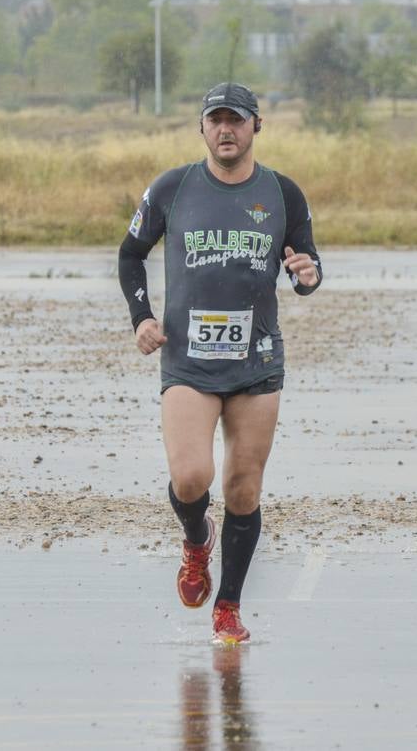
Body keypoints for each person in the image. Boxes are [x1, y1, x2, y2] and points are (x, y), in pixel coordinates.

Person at [118, 82, 323, 643]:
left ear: (257, 126)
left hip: (256, 360)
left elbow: (307, 264)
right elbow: (131, 255)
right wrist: (142, 318)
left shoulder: (283, 193)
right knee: (190, 479)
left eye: (236, 120)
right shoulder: (173, 188)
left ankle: (227, 607)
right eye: (216, 121)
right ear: (202, 128)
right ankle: (194, 542)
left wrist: (308, 276)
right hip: (187, 359)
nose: (225, 130)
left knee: (242, 490)